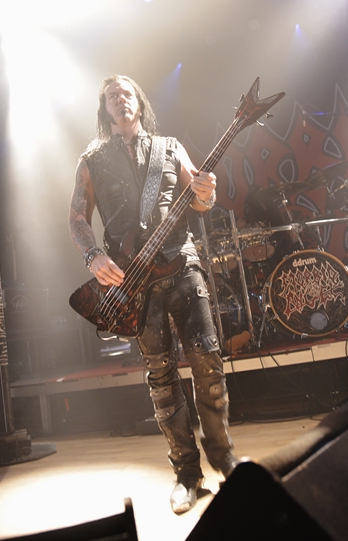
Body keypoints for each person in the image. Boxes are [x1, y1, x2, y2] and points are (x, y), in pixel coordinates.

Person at [69, 75, 237, 514]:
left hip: (182, 262)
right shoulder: (91, 160)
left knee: (208, 360)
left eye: (126, 93)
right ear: (105, 109)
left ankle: (224, 458)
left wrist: (207, 193)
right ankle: (187, 473)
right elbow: (77, 217)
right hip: (133, 282)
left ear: (139, 103)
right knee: (161, 376)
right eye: (111, 96)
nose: (120, 99)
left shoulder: (170, 147)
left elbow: (200, 200)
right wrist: (92, 255)